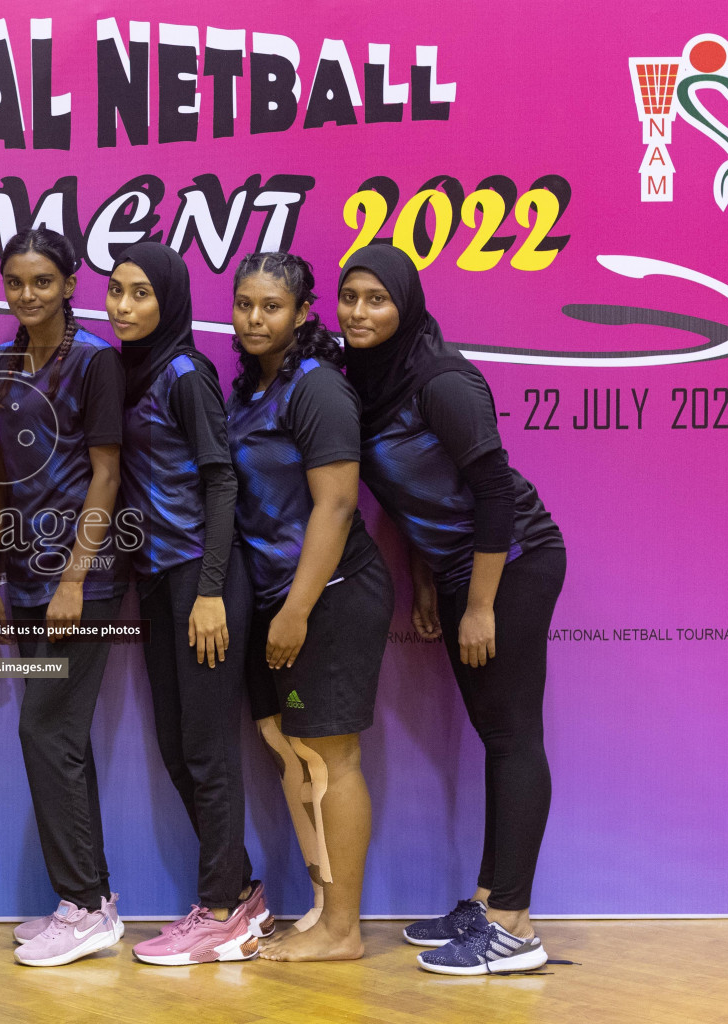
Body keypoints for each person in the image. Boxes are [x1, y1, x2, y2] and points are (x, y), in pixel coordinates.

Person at [338, 244, 566, 976]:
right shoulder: (371, 378)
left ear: (406, 304)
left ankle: (513, 927)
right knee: (498, 733)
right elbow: (412, 499)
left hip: (516, 565)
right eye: (350, 297)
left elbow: (493, 491)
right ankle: (488, 900)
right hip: (461, 573)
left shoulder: (441, 379)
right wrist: (434, 582)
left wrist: (482, 605)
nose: (359, 312)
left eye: (377, 299)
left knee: (511, 736)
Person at [223, 252, 394, 963]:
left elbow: (337, 502)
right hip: (272, 596)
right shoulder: (251, 388)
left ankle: (345, 929)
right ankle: (327, 909)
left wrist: (295, 611)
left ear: (301, 314)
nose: (256, 319)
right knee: (292, 755)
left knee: (329, 757)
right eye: (245, 304)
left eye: (272, 307)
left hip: (328, 596)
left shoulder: (316, 387)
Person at [107, 242, 268, 966]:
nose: (123, 306)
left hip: (202, 581)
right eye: (115, 291)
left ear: (169, 301)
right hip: (159, 579)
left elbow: (221, 484)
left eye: (140, 293)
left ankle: (224, 911)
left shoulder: (184, 373)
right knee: (179, 747)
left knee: (206, 751)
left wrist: (209, 591)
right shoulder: (136, 372)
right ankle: (239, 889)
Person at [0, 229, 127, 966]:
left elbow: (106, 474)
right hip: (26, 579)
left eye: (42, 281)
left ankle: (82, 906)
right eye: (15, 282)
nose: (27, 294)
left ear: (70, 283)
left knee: (45, 733)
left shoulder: (96, 361)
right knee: (62, 740)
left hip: (86, 583)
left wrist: (73, 576)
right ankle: (91, 900)